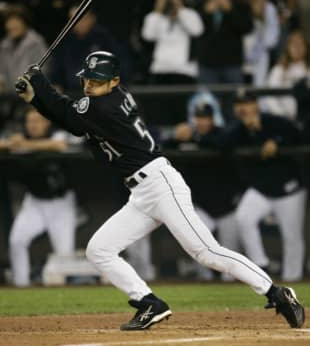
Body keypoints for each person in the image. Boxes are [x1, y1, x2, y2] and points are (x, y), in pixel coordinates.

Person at [15, 51, 305, 330]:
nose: (89, 86)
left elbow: (68, 115)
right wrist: (37, 98)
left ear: (114, 81)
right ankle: (148, 302)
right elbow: (69, 114)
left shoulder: (104, 106)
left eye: (97, 81)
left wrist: (38, 84)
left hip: (159, 184)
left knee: (207, 252)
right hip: (141, 193)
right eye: (87, 80)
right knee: (99, 250)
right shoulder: (111, 98)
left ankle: (276, 293)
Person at [224, 91, 306, 282]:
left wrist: (276, 140)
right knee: (244, 217)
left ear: (256, 105)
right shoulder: (238, 130)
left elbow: (298, 135)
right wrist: (250, 130)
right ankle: (260, 265)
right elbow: (223, 145)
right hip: (262, 190)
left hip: (289, 190)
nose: (242, 108)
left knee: (292, 237)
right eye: (238, 104)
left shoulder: (274, 121)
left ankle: (292, 279)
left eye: (247, 103)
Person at [162, 103, 240, 280]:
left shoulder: (221, 134)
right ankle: (205, 279)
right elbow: (163, 149)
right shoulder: (189, 135)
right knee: (199, 244)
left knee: (230, 251)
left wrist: (195, 139)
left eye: (205, 118)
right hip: (201, 205)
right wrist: (175, 137)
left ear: (212, 119)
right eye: (199, 118)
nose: (202, 121)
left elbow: (222, 145)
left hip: (226, 203)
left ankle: (231, 285)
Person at [3, 107, 77, 286]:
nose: (33, 125)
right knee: (17, 241)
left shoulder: (57, 133)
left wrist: (24, 145)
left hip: (61, 203)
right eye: (30, 121)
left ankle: (64, 301)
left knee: (65, 256)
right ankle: (21, 285)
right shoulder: (20, 137)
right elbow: (7, 143)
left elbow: (60, 145)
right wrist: (10, 144)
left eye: (37, 121)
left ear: (46, 122)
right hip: (34, 202)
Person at [197, 0, 253, 84]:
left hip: (231, 62)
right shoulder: (201, 1)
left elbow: (247, 27)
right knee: (208, 102)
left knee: (234, 101)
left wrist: (230, 10)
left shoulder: (240, 1)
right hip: (207, 63)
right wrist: (206, 12)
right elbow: (195, 30)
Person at [141, 0, 204, 84]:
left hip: (184, 69)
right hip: (160, 68)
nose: (172, 6)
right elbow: (148, 35)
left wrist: (180, 10)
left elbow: (197, 31)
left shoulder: (189, 14)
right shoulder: (156, 17)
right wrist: (159, 10)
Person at [50, 5, 115, 92]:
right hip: (69, 91)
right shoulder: (64, 39)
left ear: (92, 19)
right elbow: (57, 67)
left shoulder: (102, 37)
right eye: (73, 20)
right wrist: (56, 84)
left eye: (82, 19)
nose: (78, 23)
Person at [261, 31, 310, 120]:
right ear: (288, 48)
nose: (297, 48)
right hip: (284, 118)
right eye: (293, 44)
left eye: (300, 44)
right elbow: (271, 96)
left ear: (306, 47)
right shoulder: (278, 70)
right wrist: (281, 115)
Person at [243, 0, 280, 87]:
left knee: (259, 93)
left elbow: (272, 40)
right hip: (239, 59)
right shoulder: (241, 7)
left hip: (260, 60)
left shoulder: (270, 9)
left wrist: (262, 18)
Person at [0, 6, 48, 93]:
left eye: (16, 21)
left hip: (32, 96)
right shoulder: (4, 45)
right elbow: (2, 72)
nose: (12, 25)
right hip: (9, 98)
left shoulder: (36, 43)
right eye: (9, 22)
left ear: (25, 23)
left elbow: (43, 72)